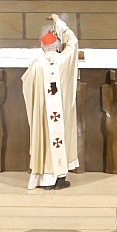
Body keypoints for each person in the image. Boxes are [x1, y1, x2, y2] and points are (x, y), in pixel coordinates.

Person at [21, 13, 79, 190]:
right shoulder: (64, 59)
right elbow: (73, 42)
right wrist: (59, 23)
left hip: (45, 113)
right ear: (57, 46)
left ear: (42, 46)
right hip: (60, 111)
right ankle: (60, 179)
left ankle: (46, 180)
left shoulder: (37, 65)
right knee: (60, 136)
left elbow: (26, 84)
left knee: (45, 139)